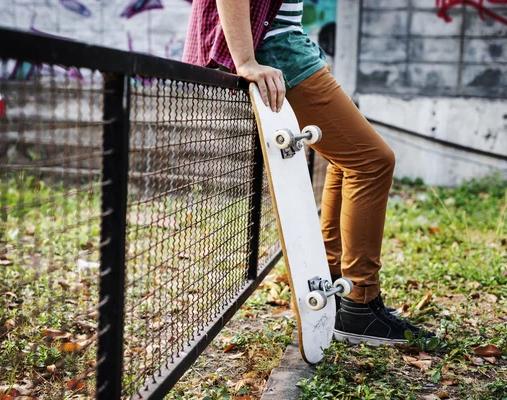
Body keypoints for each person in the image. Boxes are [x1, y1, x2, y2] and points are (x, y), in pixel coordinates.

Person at [183, 0, 434, 345]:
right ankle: (359, 302)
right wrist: (245, 61)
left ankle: (333, 279)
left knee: (350, 162)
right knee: (373, 161)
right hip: (281, 52)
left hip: (293, 49)